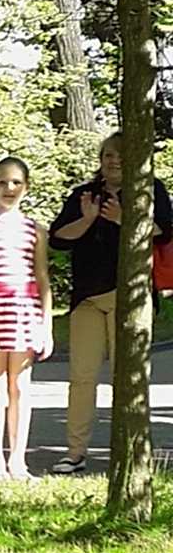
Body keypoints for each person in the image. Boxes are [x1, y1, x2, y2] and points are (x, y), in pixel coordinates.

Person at [47, 132, 172, 473]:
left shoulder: (150, 190)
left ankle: (129, 452)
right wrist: (88, 219)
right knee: (81, 378)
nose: (114, 161)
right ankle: (75, 452)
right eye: (108, 156)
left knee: (127, 378)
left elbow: (164, 230)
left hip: (129, 297)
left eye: (121, 155)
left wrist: (123, 217)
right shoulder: (84, 195)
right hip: (87, 299)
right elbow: (58, 239)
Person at [0, 157, 52, 481]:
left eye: (16, 182)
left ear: (26, 187)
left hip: (23, 310)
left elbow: (42, 276)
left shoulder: (35, 229)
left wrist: (46, 324)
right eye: (3, 182)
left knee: (19, 386)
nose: (9, 188)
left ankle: (18, 460)